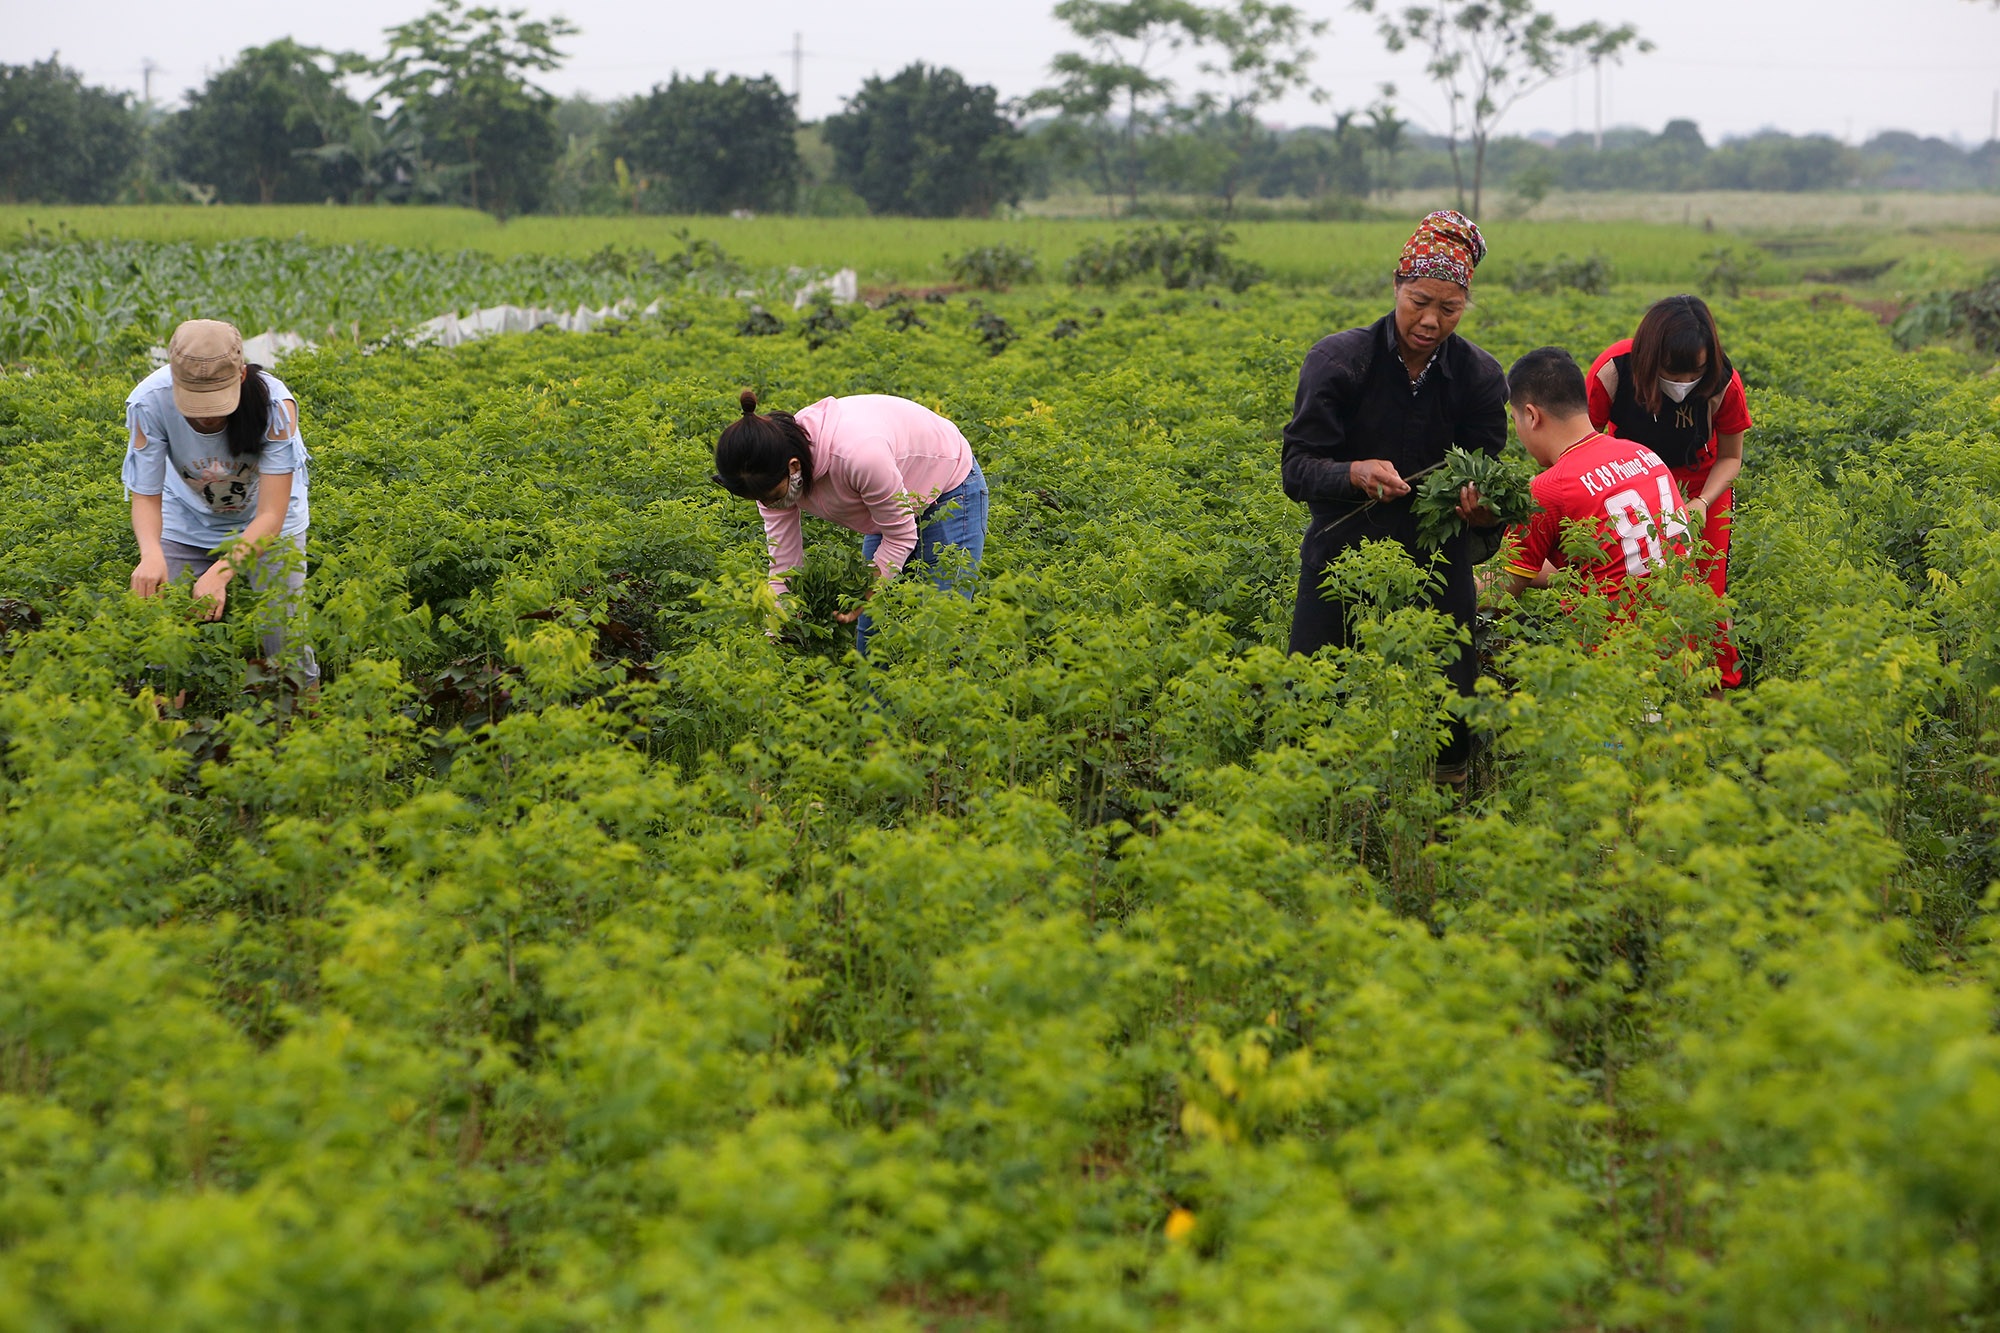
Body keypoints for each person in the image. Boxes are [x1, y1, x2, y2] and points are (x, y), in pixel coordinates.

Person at [1281, 209, 1509, 783]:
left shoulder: (1481, 378)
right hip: (1341, 553)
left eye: (1448, 308)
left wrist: (1481, 509)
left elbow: (1490, 480)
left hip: (1436, 561)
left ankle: (1443, 818)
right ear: (1396, 286)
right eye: (1419, 302)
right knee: (1313, 697)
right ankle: (1320, 818)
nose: (1430, 320)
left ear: (1465, 306)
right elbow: (1297, 469)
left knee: (1450, 708)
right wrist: (1353, 472)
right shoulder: (1338, 362)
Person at [713, 390, 989, 651]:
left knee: (940, 625)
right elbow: (785, 566)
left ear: (794, 467)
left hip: (948, 484)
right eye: (759, 500)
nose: (768, 505)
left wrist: (865, 595)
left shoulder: (859, 457)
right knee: (873, 633)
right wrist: (774, 629)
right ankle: (879, 701)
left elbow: (900, 535)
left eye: (772, 496)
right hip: (886, 507)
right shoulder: (769, 475)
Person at [124, 319, 318, 686]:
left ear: (241, 375)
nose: (204, 414)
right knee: (164, 649)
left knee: (286, 639)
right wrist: (150, 553)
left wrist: (221, 571)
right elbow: (146, 495)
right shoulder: (149, 401)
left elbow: (272, 516)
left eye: (215, 400)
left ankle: (306, 733)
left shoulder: (276, 406)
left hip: (267, 524)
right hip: (184, 518)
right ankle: (165, 734)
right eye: (193, 401)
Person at [1586, 295, 1751, 687]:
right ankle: (1641, 680)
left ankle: (1716, 690)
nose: (1680, 384)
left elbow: (1730, 457)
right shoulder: (1613, 371)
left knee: (1707, 591)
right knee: (1630, 582)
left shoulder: (1722, 381)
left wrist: (1701, 503)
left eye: (1691, 372)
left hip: (1699, 483)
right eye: (1670, 372)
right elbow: (1582, 444)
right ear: (1649, 356)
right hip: (1626, 479)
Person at [1499, 346, 1692, 611]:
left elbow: (1500, 590)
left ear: (1531, 416)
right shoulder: (1644, 455)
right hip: (1685, 630)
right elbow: (1612, 564)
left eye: (1515, 420)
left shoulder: (1549, 488)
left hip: (1613, 644)